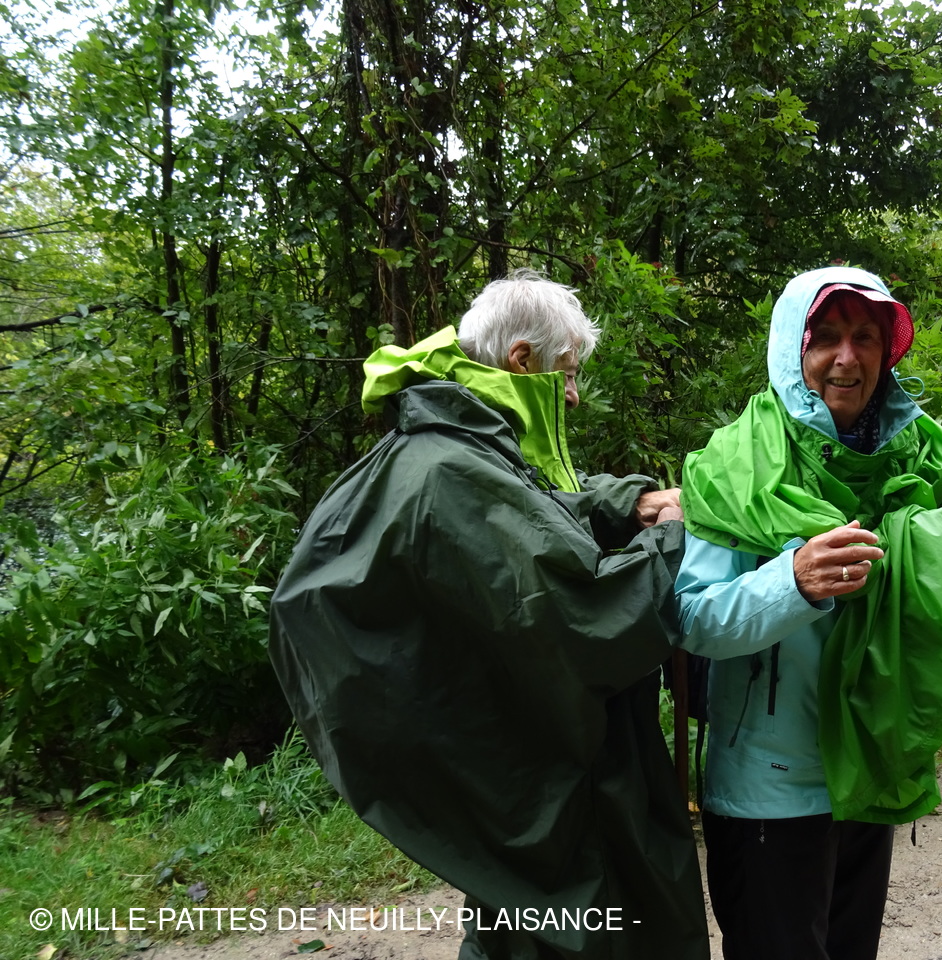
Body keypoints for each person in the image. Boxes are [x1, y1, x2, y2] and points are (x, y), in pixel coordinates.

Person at [269, 269, 709, 960]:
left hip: (518, 772)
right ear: (521, 360)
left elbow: (538, 505)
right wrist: (673, 541)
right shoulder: (451, 470)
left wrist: (628, 503)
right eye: (568, 373)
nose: (572, 394)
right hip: (540, 782)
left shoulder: (455, 440)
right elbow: (582, 619)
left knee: (524, 922)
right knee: (559, 930)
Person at [676, 266, 942, 960]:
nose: (847, 358)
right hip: (771, 789)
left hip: (872, 762)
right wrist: (793, 583)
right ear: (790, 349)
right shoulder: (733, 465)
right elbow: (693, 619)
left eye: (866, 338)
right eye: (825, 337)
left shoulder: (915, 458)